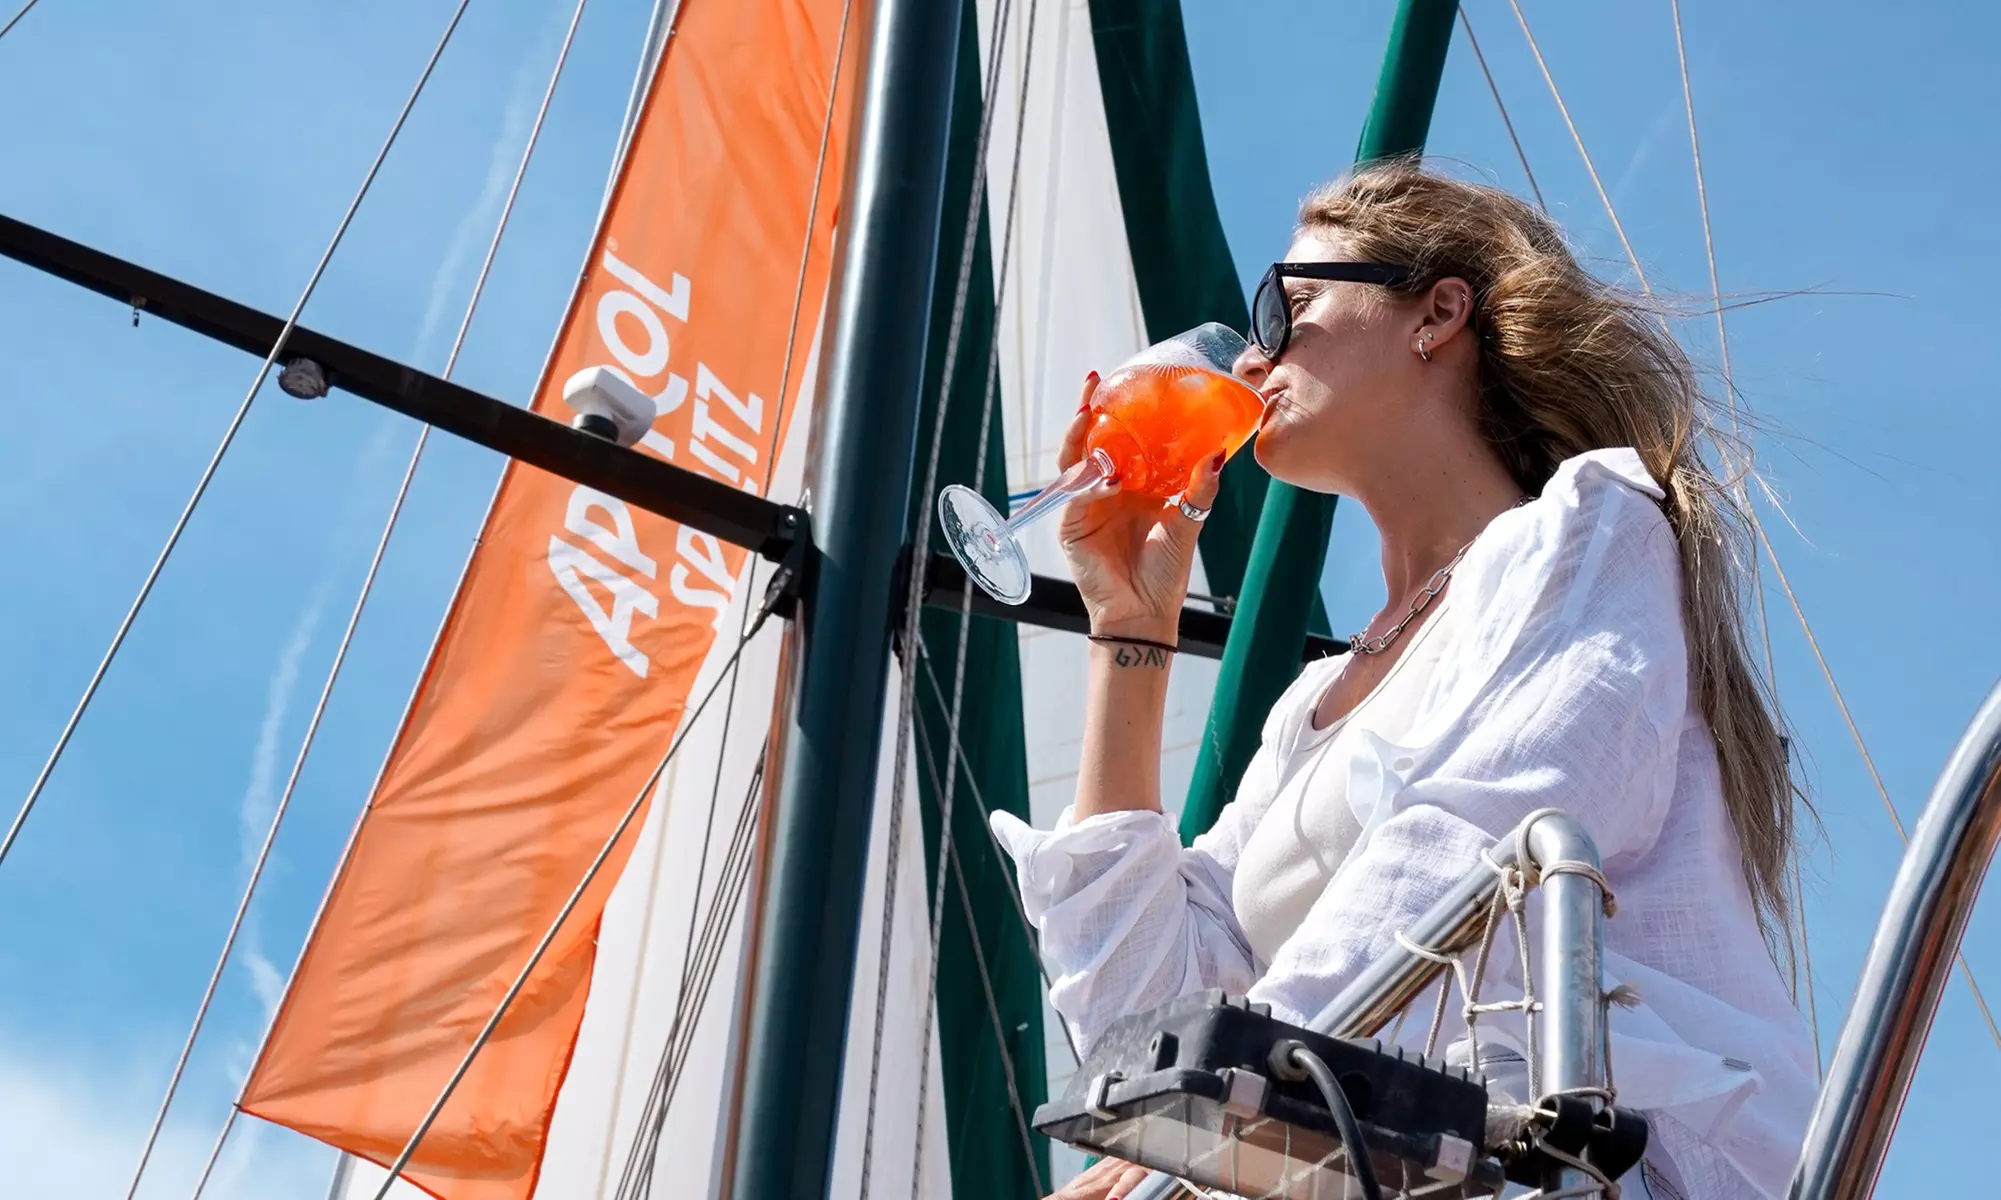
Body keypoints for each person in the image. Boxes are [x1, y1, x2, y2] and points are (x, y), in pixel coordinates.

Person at [991, 161, 1816, 1199]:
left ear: (1437, 313)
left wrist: (1202, 1117)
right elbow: (1138, 1024)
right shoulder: (1314, 710)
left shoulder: (1588, 531)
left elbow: (1470, 851)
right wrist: (1131, 629)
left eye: (1287, 308)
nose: (1252, 355)